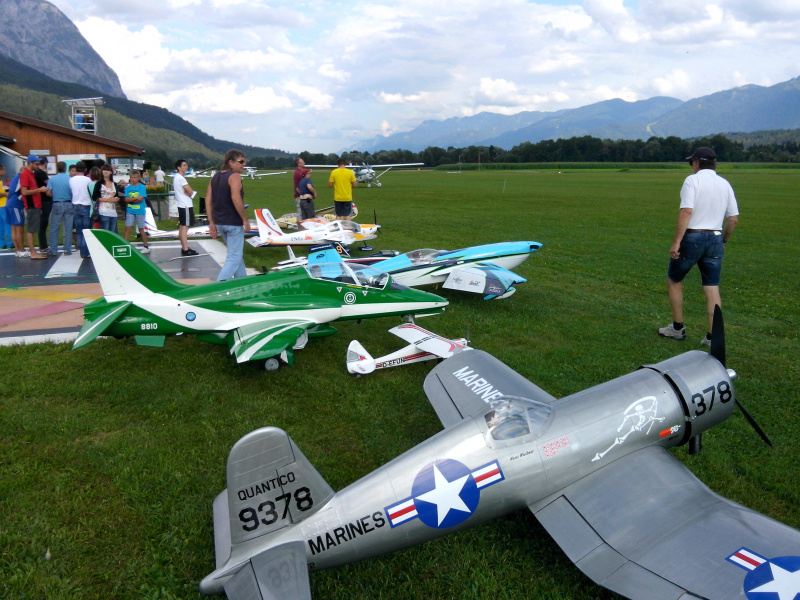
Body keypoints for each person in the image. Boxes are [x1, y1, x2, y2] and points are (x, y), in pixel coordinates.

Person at [659, 147, 739, 347]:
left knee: (674, 280)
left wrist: (677, 242)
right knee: (711, 287)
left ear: (696, 162)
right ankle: (712, 337)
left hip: (693, 237)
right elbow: (733, 219)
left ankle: (677, 328)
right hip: (715, 238)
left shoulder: (692, 181)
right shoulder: (724, 183)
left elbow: (686, 211)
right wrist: (723, 240)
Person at [206, 150, 250, 280]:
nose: (244, 164)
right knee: (233, 258)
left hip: (220, 222)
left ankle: (243, 283)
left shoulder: (215, 177)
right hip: (233, 223)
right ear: (231, 162)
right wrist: (245, 220)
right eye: (241, 161)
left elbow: (208, 200)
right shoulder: (234, 176)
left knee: (236, 256)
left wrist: (211, 222)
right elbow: (236, 198)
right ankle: (218, 287)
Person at [19, 154, 48, 259]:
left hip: (36, 205)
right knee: (31, 229)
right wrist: (39, 190)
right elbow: (24, 191)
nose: (38, 165)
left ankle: (33, 252)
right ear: (30, 163)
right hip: (31, 205)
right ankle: (33, 252)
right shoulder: (25, 174)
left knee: (33, 228)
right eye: (36, 164)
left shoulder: (31, 174)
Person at [46, 161, 74, 255]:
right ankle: (67, 248)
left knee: (54, 227)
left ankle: (53, 249)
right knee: (68, 227)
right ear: (65, 169)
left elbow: (48, 192)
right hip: (68, 203)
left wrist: (54, 195)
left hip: (57, 203)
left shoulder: (52, 179)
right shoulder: (70, 179)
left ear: (57, 168)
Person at [173, 159, 198, 256]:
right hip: (186, 205)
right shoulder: (181, 178)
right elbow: (190, 191)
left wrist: (189, 193)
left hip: (181, 204)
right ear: (179, 168)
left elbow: (187, 191)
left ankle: (184, 247)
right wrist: (191, 193)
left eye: (186, 165)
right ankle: (185, 249)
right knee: (185, 227)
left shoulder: (176, 177)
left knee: (182, 226)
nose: (186, 167)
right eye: (184, 165)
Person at [70, 161, 94, 259]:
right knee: (87, 230)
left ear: (76, 169)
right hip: (86, 205)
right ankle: (86, 251)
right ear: (85, 169)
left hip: (75, 205)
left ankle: (82, 250)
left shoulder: (71, 180)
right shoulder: (88, 180)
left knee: (79, 230)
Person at [123, 170, 150, 253]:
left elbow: (140, 199)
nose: (133, 179)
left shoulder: (141, 187)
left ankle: (146, 246)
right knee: (128, 227)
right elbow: (126, 199)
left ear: (138, 178)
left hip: (140, 210)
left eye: (135, 177)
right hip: (130, 210)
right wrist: (135, 198)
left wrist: (131, 199)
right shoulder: (128, 188)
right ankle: (125, 245)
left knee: (141, 228)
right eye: (132, 177)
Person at [96, 164, 120, 233]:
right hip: (103, 210)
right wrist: (108, 199)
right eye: (104, 170)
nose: (105, 172)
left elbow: (117, 195)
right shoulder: (99, 184)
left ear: (111, 172)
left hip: (113, 210)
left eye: (107, 170)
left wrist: (116, 199)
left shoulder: (114, 184)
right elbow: (95, 197)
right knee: (105, 231)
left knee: (113, 231)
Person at [34, 159, 51, 253]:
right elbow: (49, 183)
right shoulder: (40, 173)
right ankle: (43, 245)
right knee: (43, 222)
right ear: (45, 163)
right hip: (44, 200)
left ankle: (43, 244)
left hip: (42, 200)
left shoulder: (36, 173)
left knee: (43, 222)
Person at [292, 157, 308, 227]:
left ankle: (303, 225)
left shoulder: (300, 172)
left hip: (302, 194)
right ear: (298, 164)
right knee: (300, 211)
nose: (304, 163)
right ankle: (300, 226)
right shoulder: (299, 173)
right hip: (300, 195)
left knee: (303, 211)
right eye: (302, 162)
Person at [0, 164, 11, 249]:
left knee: (1, 226)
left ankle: (2, 243)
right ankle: (10, 243)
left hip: (2, 205)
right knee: (7, 225)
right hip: (3, 205)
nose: (5, 172)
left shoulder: (1, 181)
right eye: (3, 170)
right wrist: (5, 194)